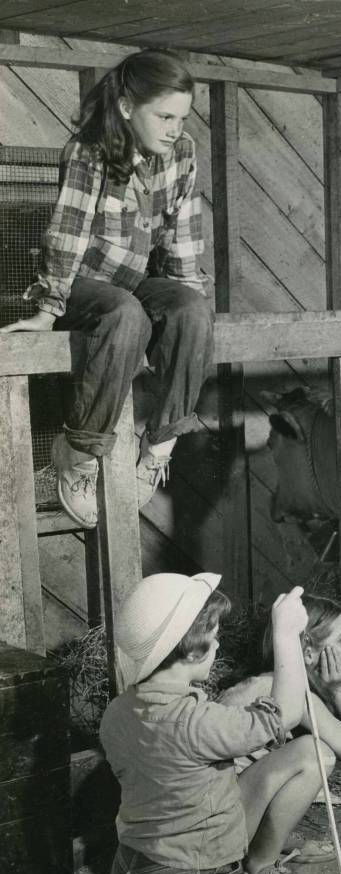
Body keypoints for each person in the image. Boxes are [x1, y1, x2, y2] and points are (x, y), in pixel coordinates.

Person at [63, 575, 312, 874]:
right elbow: (285, 714)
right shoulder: (198, 723)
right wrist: (286, 633)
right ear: (193, 652)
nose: (218, 647)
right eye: (214, 639)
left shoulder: (117, 714)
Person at [0, 49, 213, 529]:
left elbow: (181, 237)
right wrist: (50, 307)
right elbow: (68, 234)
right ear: (124, 107)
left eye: (181, 117)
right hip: (82, 283)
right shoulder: (90, 151)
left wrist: (183, 313)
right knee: (124, 314)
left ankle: (159, 445)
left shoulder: (182, 153)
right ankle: (78, 451)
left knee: (193, 309)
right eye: (164, 116)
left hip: (135, 281)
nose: (175, 128)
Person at [216, 594, 341, 874]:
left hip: (229, 811)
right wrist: (340, 689)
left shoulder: (277, 681)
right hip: (221, 832)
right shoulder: (289, 694)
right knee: (314, 755)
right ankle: (260, 864)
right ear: (307, 652)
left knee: (297, 756)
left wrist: (340, 688)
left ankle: (270, 837)